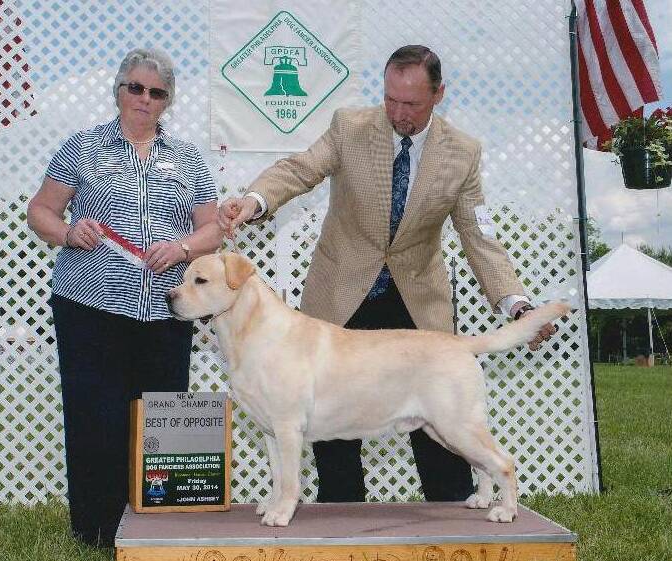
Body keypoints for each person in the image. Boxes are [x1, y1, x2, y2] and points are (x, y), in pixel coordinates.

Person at [218, 45, 556, 505]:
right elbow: (299, 170)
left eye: (411, 103)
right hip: (340, 300)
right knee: (333, 444)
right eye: (390, 99)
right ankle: (341, 528)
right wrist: (254, 201)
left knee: (442, 441)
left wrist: (516, 304)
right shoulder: (349, 127)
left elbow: (479, 237)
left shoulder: (462, 153)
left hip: (416, 303)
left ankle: (455, 526)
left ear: (439, 94)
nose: (398, 113)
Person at [27, 48, 222, 546]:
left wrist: (181, 247)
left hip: (165, 310)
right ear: (118, 90)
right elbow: (40, 211)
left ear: (168, 101)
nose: (144, 98)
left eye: (156, 92)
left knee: (161, 421)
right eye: (135, 87)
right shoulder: (81, 147)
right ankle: (96, 531)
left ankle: (159, 534)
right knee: (96, 418)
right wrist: (69, 232)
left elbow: (213, 230)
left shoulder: (189, 160)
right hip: (89, 307)